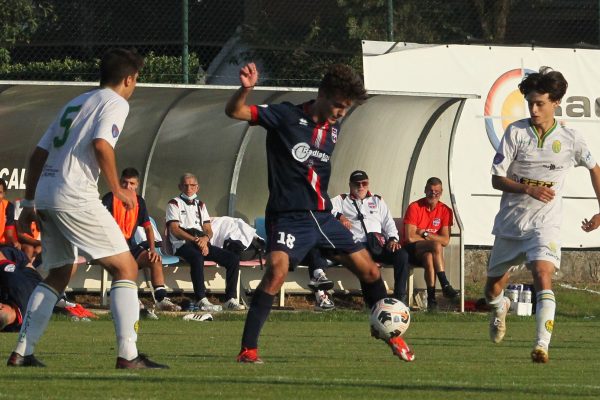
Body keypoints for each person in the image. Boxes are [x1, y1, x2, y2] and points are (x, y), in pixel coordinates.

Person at [225, 62, 414, 363]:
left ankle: (391, 336)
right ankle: (248, 350)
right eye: (338, 105)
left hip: (323, 217)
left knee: (370, 270)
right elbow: (234, 112)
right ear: (322, 94)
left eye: (346, 108)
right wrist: (245, 89)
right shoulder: (285, 115)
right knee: (276, 272)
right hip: (288, 216)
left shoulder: (334, 129)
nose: (341, 112)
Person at [7, 48, 167, 369]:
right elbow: (101, 144)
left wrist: (28, 202)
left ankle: (21, 352)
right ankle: (128, 355)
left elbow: (39, 153)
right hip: (74, 194)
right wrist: (117, 189)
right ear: (129, 79)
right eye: (136, 81)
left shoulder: (76, 102)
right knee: (126, 268)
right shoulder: (115, 102)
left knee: (59, 273)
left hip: (49, 196)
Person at [485, 67, 600, 363]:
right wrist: (528, 188)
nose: (534, 110)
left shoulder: (571, 139)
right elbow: (496, 180)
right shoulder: (516, 132)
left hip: (544, 225)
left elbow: (594, 169)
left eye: (540, 104)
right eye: (530, 104)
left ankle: (541, 345)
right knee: (491, 290)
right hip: (511, 225)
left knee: (542, 274)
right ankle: (501, 307)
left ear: (556, 103)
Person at [102, 167, 181, 312]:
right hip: (111, 248)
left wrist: (152, 250)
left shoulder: (139, 201)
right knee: (128, 266)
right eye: (125, 183)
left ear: (137, 185)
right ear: (119, 182)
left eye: (132, 184)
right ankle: (128, 298)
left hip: (130, 247)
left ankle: (161, 299)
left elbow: (148, 228)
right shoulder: (110, 198)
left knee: (154, 259)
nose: (128, 187)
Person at [166, 173, 245, 312]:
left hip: (201, 242)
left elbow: (208, 229)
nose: (189, 188)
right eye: (185, 185)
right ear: (180, 186)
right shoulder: (174, 203)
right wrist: (197, 241)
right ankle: (201, 299)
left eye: (192, 185)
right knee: (197, 257)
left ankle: (230, 299)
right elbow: (174, 229)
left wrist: (205, 239)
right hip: (182, 244)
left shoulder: (201, 205)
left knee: (232, 259)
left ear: (197, 187)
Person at [331, 170, 410, 305]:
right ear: (350, 185)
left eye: (364, 183)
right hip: (358, 245)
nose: (361, 187)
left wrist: (393, 239)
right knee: (364, 263)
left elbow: (388, 222)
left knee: (402, 255)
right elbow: (326, 207)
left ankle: (400, 299)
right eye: (357, 184)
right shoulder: (343, 199)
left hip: (378, 243)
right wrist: (341, 216)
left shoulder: (377, 200)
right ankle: (373, 303)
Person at [0, 246, 94, 331]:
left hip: (35, 285)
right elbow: (3, 261)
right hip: (18, 264)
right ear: (1, 307)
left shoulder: (14, 326)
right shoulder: (17, 287)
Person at [402, 177, 458, 310]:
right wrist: (433, 240)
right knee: (435, 245)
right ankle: (445, 284)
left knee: (429, 256)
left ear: (441, 192)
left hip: (427, 251)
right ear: (425, 190)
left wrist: (424, 233)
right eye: (430, 191)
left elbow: (445, 240)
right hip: (411, 250)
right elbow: (410, 237)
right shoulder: (415, 207)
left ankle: (432, 300)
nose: (433, 194)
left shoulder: (445, 210)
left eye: (437, 191)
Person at [0, 179, 20, 249]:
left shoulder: (8, 206)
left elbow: (9, 235)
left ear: (4, 193)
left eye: (0, 192)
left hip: (3, 245)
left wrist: (15, 243)